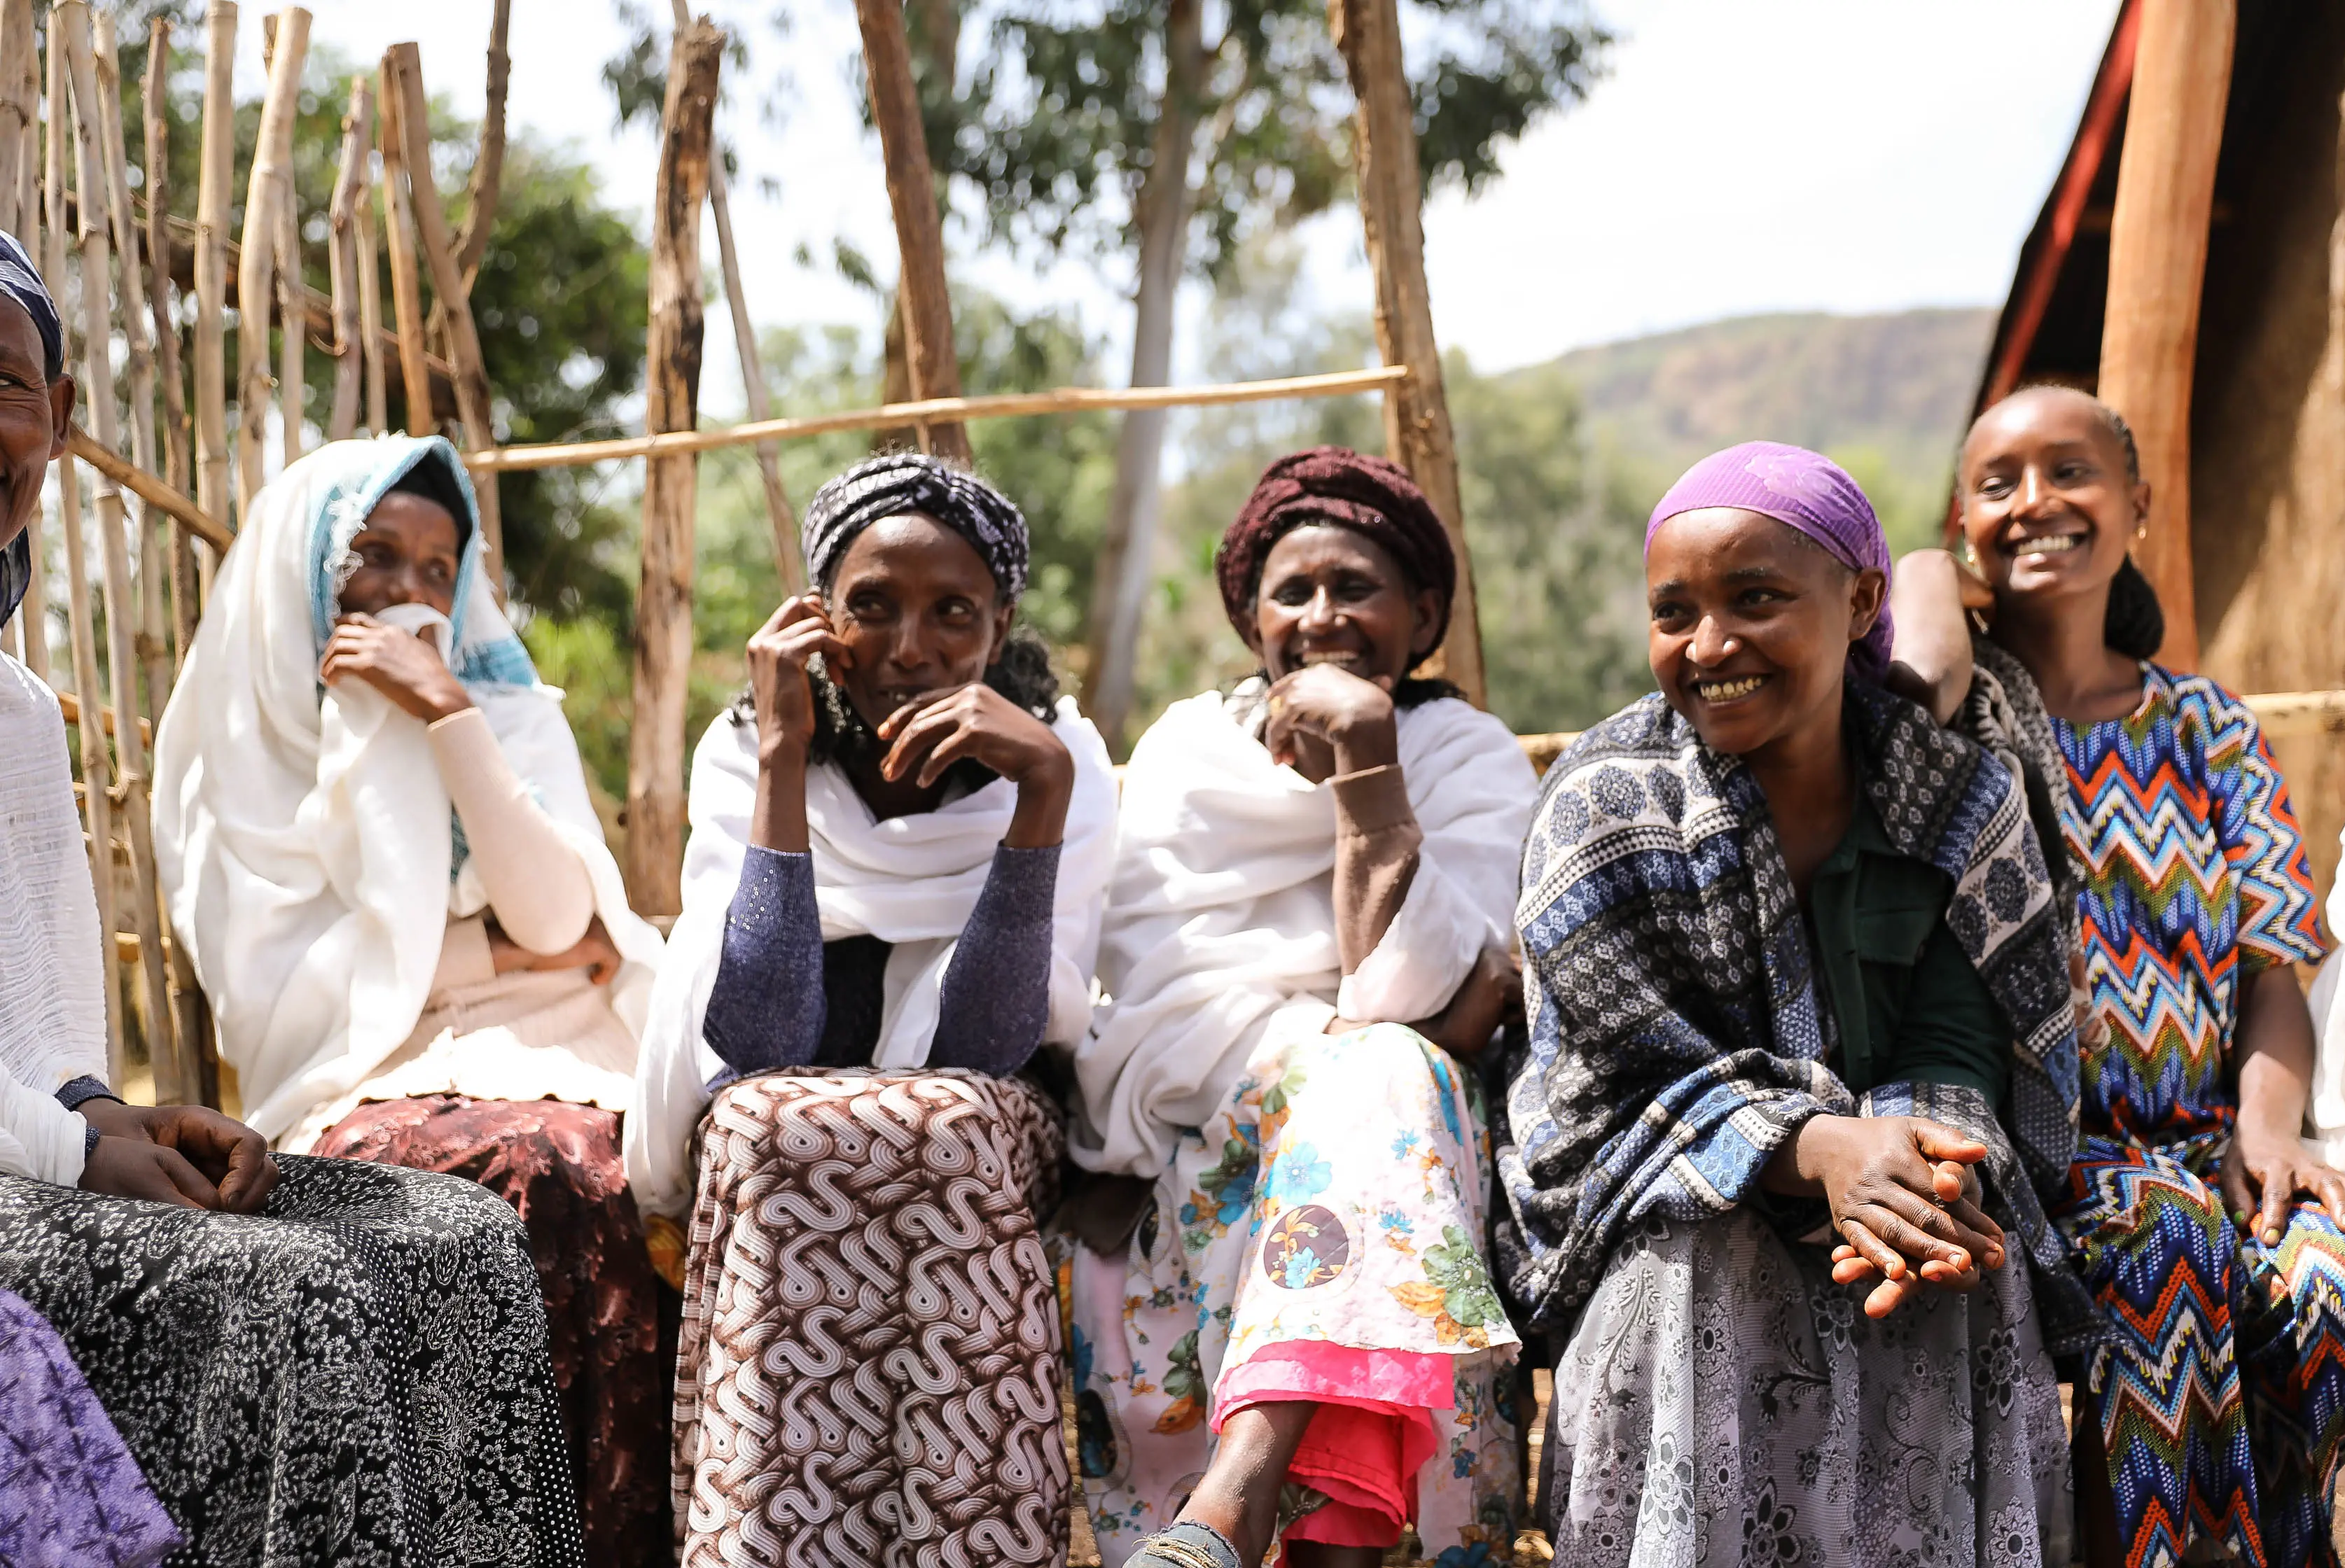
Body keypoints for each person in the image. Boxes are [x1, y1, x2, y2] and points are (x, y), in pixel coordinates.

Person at [0, 231, 582, 1562]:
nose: (412, 601)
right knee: (289, 1295)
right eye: (377, 559)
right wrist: (76, 1150)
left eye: (3, 384)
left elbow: (30, 1021)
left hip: (30, 1143)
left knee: (457, 1241)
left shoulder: (18, 710)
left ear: (59, 421)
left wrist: (108, 1109)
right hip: (18, 1169)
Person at [1499, 442, 2093, 1566]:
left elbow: (1971, 1032)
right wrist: (1816, 1148)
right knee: (1715, 1255)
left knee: (1957, 1256)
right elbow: (1626, 1081)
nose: (1711, 645)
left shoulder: (1961, 792)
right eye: (1675, 612)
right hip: (1664, 1209)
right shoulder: (1604, 809)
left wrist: (1914, 1175)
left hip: (1897, 1158)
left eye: (1757, 598)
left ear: (1860, 598)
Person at [151, 435, 669, 1562]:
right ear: (306, 573)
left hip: (567, 1058)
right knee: (509, 1179)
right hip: (367, 1080)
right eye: (374, 557)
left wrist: (446, 714)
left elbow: (550, 918)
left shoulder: (506, 709)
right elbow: (280, 988)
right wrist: (515, 958)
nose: (408, 593)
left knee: (613, 1170)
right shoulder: (241, 756)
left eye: (441, 570)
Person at [628, 452, 1119, 1568]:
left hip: (981, 1136)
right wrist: (785, 761)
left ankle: (966, 1539)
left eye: (953, 611)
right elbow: (756, 1040)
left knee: (943, 1124)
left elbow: (985, 1053)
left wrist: (1038, 801)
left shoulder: (1061, 760)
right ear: (815, 619)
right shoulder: (748, 748)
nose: (911, 647)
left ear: (1000, 627)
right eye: (872, 607)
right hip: (793, 1122)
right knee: (765, 1123)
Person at [1892, 386, 2345, 1568]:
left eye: (2072, 473)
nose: (2037, 503)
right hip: (2035, 1157)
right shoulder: (1954, 719)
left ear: (2137, 505)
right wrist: (1928, 570)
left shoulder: (2206, 728)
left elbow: (2271, 968)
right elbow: (1922, 653)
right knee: (2166, 1241)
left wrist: (2271, 1134)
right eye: (1998, 484)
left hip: (2205, 1141)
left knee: (2323, 1283)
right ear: (1962, 519)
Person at [1064, 447, 1536, 1568]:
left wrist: (1370, 762)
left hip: (1405, 1147)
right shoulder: (1187, 752)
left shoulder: (1463, 756)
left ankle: (1231, 1507)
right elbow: (1137, 1008)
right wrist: (1317, 1039)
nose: (1323, 616)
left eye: (1356, 588)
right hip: (1196, 1141)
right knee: (1379, 1071)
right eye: (1293, 592)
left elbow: (1421, 1003)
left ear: (1423, 612)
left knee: (1382, 1072)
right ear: (1252, 618)